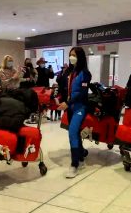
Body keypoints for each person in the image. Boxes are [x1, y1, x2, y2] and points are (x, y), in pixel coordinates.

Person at [58, 47, 92, 178]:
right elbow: (64, 87)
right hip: (71, 108)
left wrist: (68, 102)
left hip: (80, 107)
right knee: (75, 133)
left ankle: (74, 165)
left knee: (72, 132)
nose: (71, 57)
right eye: (70, 55)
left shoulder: (85, 73)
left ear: (80, 57)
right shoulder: (70, 71)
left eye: (74, 55)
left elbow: (82, 93)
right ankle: (81, 159)